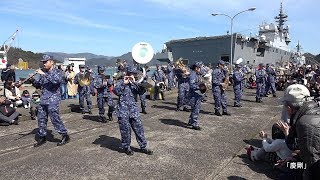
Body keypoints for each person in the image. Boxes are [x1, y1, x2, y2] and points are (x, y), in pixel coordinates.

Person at [277, 84, 320, 179]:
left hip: (314, 169)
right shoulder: (314, 111)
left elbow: (312, 165)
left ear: (289, 108)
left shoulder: (305, 123)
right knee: (287, 165)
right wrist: (294, 158)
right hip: (312, 163)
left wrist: (295, 164)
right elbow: (310, 151)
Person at [113, 66, 153, 156]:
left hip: (133, 110)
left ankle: (143, 147)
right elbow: (116, 91)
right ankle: (126, 147)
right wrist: (124, 83)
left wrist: (137, 82)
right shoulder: (120, 81)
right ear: (128, 73)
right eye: (131, 73)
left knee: (139, 129)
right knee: (125, 130)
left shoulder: (136, 83)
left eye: (134, 74)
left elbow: (141, 92)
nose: (133, 75)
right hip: (123, 111)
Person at [32, 54, 70, 147]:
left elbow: (56, 81)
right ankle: (42, 136)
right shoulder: (43, 72)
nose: (44, 64)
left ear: (51, 62)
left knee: (54, 117)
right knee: (41, 118)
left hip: (53, 98)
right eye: (43, 62)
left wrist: (44, 74)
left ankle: (64, 135)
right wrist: (32, 80)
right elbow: (39, 85)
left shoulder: (57, 72)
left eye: (46, 62)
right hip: (44, 98)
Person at [187, 62, 204, 130]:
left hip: (197, 94)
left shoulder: (197, 74)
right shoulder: (193, 75)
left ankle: (191, 121)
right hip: (193, 95)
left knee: (196, 108)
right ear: (196, 68)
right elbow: (192, 85)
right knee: (196, 109)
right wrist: (199, 87)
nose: (200, 69)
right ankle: (194, 124)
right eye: (199, 67)